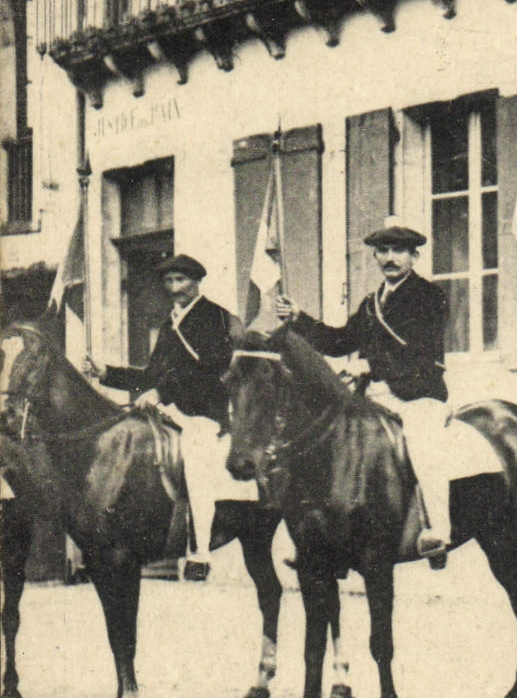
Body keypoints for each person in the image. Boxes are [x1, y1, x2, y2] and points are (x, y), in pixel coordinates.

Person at [272, 219, 453, 565]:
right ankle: (321, 537)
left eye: (398, 250)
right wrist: (299, 318)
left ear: (414, 256)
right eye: (383, 251)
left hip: (418, 394)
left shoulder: (430, 296)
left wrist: (371, 365)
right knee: (324, 440)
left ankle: (437, 532)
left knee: (424, 448)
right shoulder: (371, 304)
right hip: (375, 395)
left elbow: (421, 350)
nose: (390, 258)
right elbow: (339, 341)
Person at [93, 254, 249, 580]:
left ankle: (200, 553)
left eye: (181, 280)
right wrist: (107, 373)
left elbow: (209, 370)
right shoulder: (170, 324)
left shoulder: (215, 318)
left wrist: (160, 393)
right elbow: (151, 375)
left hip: (203, 413)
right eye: (169, 281)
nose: (175, 288)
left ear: (197, 281)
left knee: (195, 462)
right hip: (170, 411)